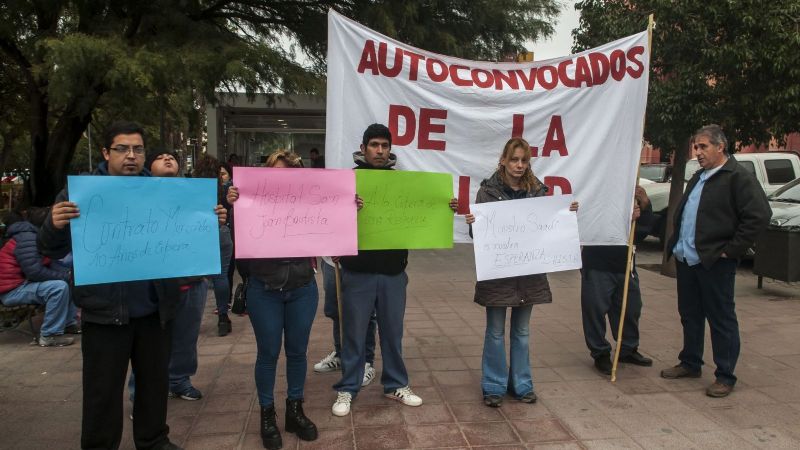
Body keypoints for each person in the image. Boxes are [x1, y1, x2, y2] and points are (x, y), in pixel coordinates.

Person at [37, 121, 226, 450]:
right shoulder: (82, 192)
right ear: (106, 152)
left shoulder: (166, 192)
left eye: (138, 149)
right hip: (104, 314)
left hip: (155, 311)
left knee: (154, 385)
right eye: (123, 149)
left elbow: (190, 242)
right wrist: (53, 225)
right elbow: (49, 249)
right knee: (102, 392)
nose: (131, 156)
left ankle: (154, 440)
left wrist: (212, 222)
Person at [331, 123, 458, 417]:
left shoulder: (405, 183)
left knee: (392, 333)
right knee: (353, 334)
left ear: (390, 149)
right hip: (357, 270)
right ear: (363, 149)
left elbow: (425, 212)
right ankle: (347, 388)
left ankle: (396, 385)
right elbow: (329, 218)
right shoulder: (346, 181)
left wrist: (444, 207)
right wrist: (346, 208)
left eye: (384, 146)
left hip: (393, 272)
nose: (379, 150)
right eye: (374, 145)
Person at [465, 137, 578, 408]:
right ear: (503, 160)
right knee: (494, 331)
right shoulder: (487, 191)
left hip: (529, 274)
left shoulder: (538, 192)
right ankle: (493, 386)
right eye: (514, 159)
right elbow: (479, 236)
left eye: (523, 160)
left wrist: (566, 214)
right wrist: (473, 224)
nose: (518, 165)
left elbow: (549, 228)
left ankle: (522, 385)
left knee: (522, 332)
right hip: (498, 275)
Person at [661, 124, 770, 398]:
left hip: (715, 263)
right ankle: (690, 362)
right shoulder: (699, 176)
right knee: (690, 315)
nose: (697, 152)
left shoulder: (737, 177)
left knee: (721, 320)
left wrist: (731, 250)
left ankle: (725, 375)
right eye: (695, 147)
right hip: (687, 259)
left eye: (703, 147)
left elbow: (759, 215)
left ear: (720, 147)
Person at [225, 150, 320, 449]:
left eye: (291, 173)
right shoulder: (249, 202)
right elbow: (238, 240)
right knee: (267, 354)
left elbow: (333, 224)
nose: (284, 180)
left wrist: (348, 207)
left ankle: (295, 409)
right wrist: (233, 206)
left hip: (303, 288)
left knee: (297, 352)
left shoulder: (311, 201)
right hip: (264, 289)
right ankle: (267, 414)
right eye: (278, 172)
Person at [580, 185, 653, 375]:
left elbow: (643, 231)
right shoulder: (593, 187)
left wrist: (644, 205)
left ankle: (627, 348)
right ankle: (600, 352)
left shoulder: (630, 187)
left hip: (625, 262)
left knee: (631, 308)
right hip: (597, 262)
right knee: (595, 309)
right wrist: (619, 219)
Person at [0, 207, 78, 347]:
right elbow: (34, 271)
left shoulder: (34, 236)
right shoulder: (28, 238)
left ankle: (68, 324)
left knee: (69, 279)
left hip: (22, 283)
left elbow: (46, 265)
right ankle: (49, 334)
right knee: (58, 287)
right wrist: (65, 275)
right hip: (11, 290)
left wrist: (68, 275)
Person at [313, 256, 378, 388]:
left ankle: (366, 362)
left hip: (361, 261)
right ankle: (341, 354)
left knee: (365, 312)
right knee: (335, 310)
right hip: (331, 260)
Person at [194, 156, 235, 336]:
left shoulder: (191, 190)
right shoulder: (224, 190)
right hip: (222, 234)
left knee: (196, 278)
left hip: (198, 235)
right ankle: (223, 318)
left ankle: (194, 318)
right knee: (222, 276)